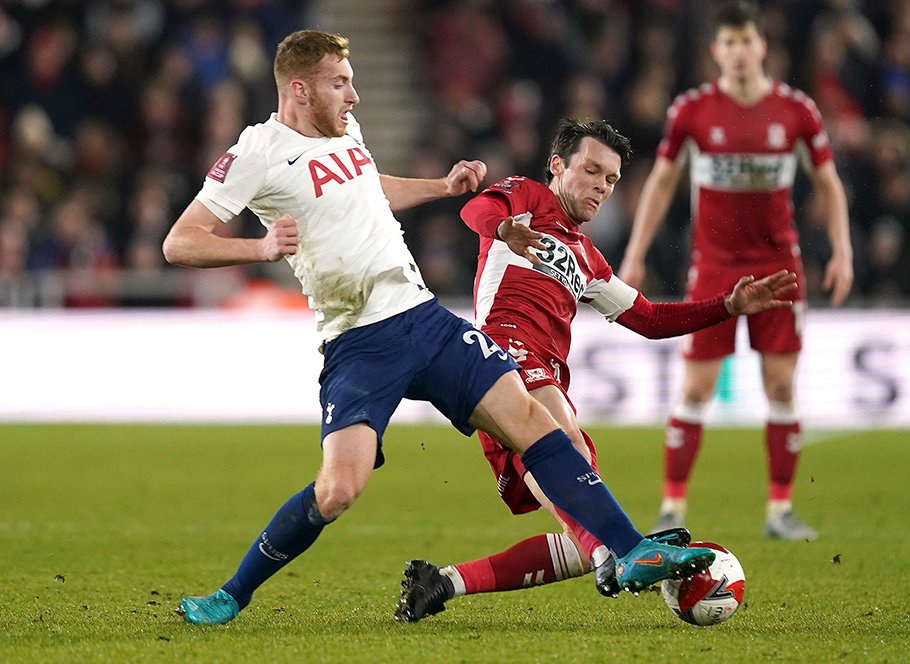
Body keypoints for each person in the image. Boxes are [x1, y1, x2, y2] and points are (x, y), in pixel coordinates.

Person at [163, 29, 718, 626]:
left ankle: (631, 548)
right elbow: (179, 242)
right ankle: (232, 594)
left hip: (424, 318)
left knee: (532, 420)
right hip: (358, 342)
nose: (354, 96)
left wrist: (439, 188)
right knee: (338, 490)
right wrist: (262, 247)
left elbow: (366, 187)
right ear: (299, 88)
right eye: (339, 83)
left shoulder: (344, 133)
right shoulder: (257, 153)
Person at [394, 118, 798, 622]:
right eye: (592, 171)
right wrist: (505, 231)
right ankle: (623, 550)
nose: (602, 187)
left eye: (611, 180)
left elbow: (648, 319)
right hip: (502, 352)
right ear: (558, 166)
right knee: (566, 447)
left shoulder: (588, 258)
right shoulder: (528, 198)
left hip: (544, 373)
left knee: (584, 531)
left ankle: (446, 582)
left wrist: (727, 306)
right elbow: (477, 207)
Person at [617, 1, 853, 540]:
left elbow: (829, 183)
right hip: (716, 266)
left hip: (778, 266)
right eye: (729, 43)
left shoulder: (796, 110)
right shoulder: (692, 110)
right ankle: (672, 510)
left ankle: (779, 511)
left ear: (762, 46)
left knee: (780, 384)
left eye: (747, 41)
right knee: (697, 387)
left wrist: (842, 248)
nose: (739, 52)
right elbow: (661, 182)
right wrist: (634, 253)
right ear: (715, 51)